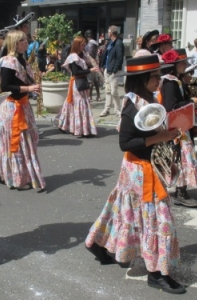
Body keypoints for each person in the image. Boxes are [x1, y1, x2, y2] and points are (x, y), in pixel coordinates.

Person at [85, 54, 186, 294]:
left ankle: (98, 244)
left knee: (123, 214)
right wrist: (158, 137)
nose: (158, 80)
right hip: (139, 172)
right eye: (154, 76)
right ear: (141, 79)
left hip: (146, 168)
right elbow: (125, 142)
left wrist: (168, 148)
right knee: (158, 222)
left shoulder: (149, 98)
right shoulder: (132, 106)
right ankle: (157, 272)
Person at [0, 30, 46, 192]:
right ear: (14, 43)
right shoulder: (9, 61)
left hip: (23, 104)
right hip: (12, 107)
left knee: (27, 140)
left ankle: (8, 173)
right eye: (22, 41)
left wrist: (33, 84)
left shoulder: (21, 59)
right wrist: (29, 87)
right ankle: (17, 179)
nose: (26, 43)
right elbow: (6, 87)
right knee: (17, 142)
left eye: (26, 40)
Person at [160, 49, 197, 208]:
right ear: (175, 64)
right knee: (180, 158)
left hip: (181, 124)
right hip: (177, 126)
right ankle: (180, 192)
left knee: (181, 158)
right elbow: (171, 106)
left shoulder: (176, 80)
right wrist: (191, 102)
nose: (186, 65)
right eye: (183, 63)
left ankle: (180, 189)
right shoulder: (170, 82)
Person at [55, 36, 99, 137]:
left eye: (84, 44)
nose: (84, 46)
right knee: (79, 104)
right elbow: (75, 72)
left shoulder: (82, 55)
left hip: (82, 81)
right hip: (76, 82)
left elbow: (85, 67)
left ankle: (66, 125)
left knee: (73, 104)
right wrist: (90, 70)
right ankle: (80, 129)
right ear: (77, 45)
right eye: (82, 44)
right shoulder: (73, 57)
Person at [100, 25, 124, 117]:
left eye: (108, 32)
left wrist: (115, 70)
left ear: (110, 33)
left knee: (114, 91)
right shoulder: (110, 43)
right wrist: (103, 66)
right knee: (108, 90)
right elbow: (105, 54)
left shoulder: (118, 43)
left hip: (113, 71)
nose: (107, 33)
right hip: (107, 69)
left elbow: (119, 58)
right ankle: (107, 109)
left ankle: (118, 109)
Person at [84, 29, 103, 102]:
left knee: (90, 80)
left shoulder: (90, 44)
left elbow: (89, 55)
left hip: (91, 63)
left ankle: (90, 96)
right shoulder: (95, 43)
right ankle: (98, 96)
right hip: (95, 62)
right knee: (95, 80)